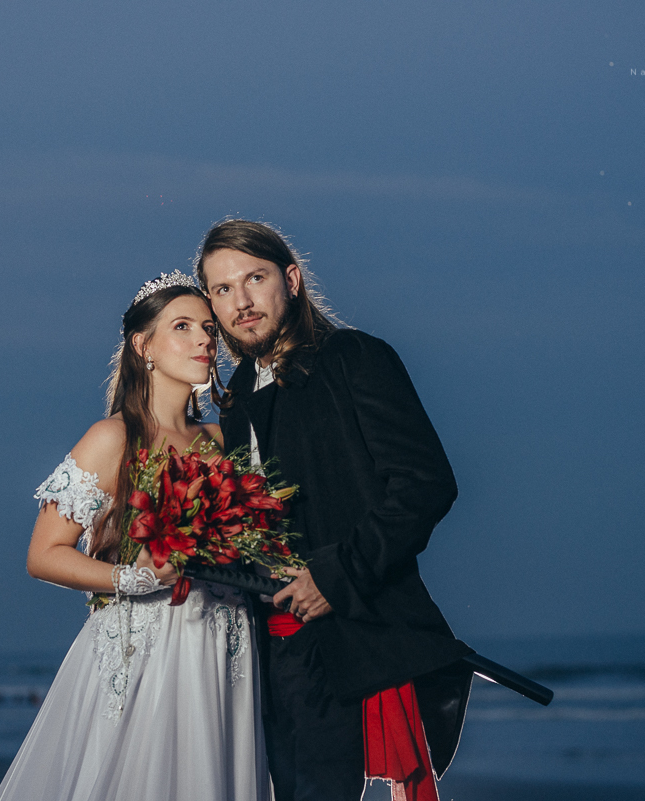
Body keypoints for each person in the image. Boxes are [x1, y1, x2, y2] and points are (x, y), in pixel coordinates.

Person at [197, 220, 474, 801]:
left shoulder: (353, 358)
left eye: (255, 278)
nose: (241, 301)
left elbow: (426, 485)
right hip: (261, 657)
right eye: (222, 290)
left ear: (291, 280)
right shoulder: (237, 397)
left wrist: (337, 574)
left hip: (346, 640)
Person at [0, 271, 272, 801]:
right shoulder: (113, 437)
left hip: (225, 649)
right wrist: (136, 576)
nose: (204, 341)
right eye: (183, 327)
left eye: (209, 329)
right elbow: (44, 555)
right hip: (146, 649)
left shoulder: (223, 439)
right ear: (143, 345)